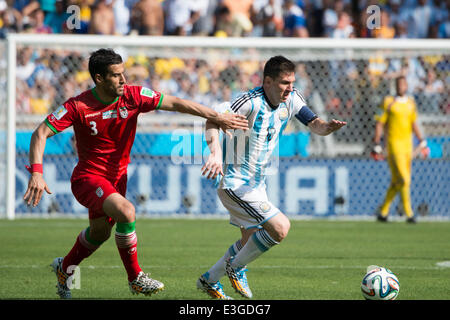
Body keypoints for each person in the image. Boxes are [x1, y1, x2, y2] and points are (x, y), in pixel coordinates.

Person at [22, 48, 248, 299]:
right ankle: (135, 278)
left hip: (117, 180)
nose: (123, 80)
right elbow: (40, 133)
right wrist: (37, 173)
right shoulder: (78, 106)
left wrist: (217, 116)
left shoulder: (133, 96)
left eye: (124, 73)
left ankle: (65, 268)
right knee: (127, 211)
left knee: (99, 234)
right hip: (88, 178)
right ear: (99, 78)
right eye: (116, 75)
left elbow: (176, 103)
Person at [197, 55, 346, 299]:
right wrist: (214, 154)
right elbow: (212, 119)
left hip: (257, 184)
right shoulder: (249, 102)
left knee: (249, 241)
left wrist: (327, 128)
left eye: (292, 82)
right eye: (284, 83)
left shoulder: (293, 99)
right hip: (235, 182)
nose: (289, 88)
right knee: (280, 227)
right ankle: (236, 268)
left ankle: (209, 280)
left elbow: (315, 125)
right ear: (267, 82)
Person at [372, 76, 427, 224]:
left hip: (408, 146)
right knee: (404, 178)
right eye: (398, 84)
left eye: (403, 83)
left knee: (397, 181)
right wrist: (377, 142)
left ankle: (383, 212)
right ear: (395, 86)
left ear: (407, 85)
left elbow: (413, 122)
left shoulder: (410, 102)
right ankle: (409, 213)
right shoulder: (389, 102)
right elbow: (380, 123)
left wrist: (421, 139)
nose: (401, 86)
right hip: (393, 145)